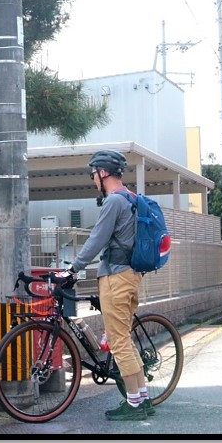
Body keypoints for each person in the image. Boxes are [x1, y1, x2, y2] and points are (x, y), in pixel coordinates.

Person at [66, 150, 153, 421]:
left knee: (118, 342)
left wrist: (73, 268)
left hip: (116, 277)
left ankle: (135, 405)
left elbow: (96, 240)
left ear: (103, 172)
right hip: (130, 275)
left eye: (93, 173)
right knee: (124, 339)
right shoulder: (131, 198)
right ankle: (141, 398)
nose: (93, 179)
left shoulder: (114, 201)